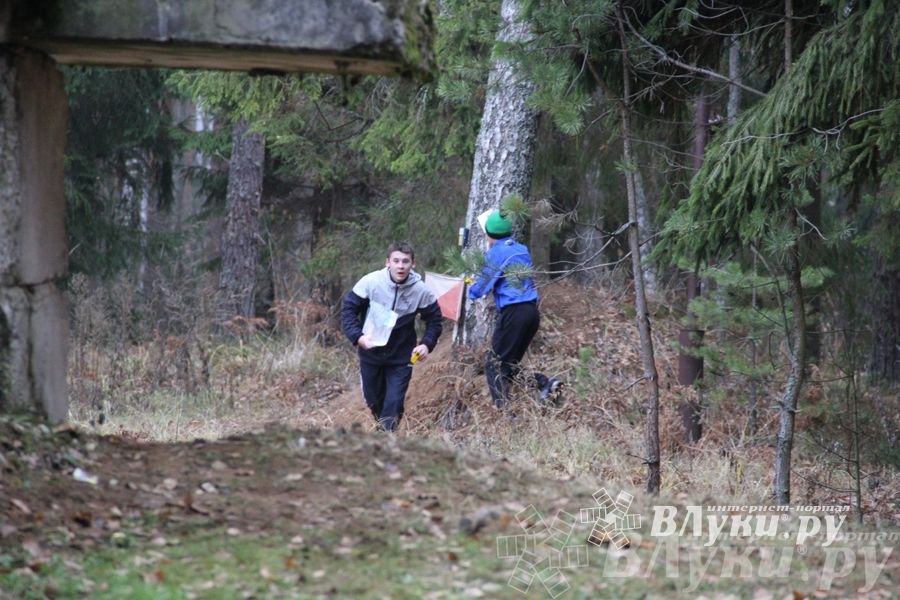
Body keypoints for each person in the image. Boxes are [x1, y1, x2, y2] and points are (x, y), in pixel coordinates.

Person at [341, 241, 443, 431]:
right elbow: (348, 310)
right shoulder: (371, 282)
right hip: (370, 351)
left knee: (394, 401)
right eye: (396, 261)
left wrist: (426, 344)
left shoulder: (421, 290)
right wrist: (358, 337)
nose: (401, 266)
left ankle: (388, 435)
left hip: (402, 355)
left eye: (405, 261)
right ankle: (384, 427)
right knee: (374, 400)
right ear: (387, 262)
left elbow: (435, 321)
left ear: (413, 264)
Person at [467, 209, 560, 409]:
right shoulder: (522, 249)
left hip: (513, 313)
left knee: (493, 365)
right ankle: (544, 383)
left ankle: (504, 414)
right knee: (508, 367)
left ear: (488, 235)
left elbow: (480, 289)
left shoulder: (495, 253)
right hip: (531, 313)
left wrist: (469, 288)